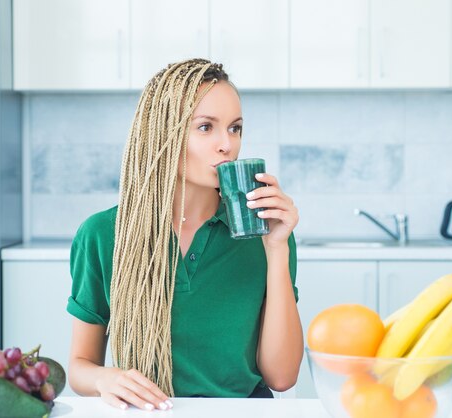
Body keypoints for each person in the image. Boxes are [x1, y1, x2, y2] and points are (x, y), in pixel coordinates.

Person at [66, 58, 303, 411]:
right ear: (164, 134)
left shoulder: (266, 233)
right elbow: (79, 367)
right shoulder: (102, 235)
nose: (227, 144)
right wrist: (105, 378)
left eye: (235, 128)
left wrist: (277, 248)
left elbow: (281, 377)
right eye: (206, 127)